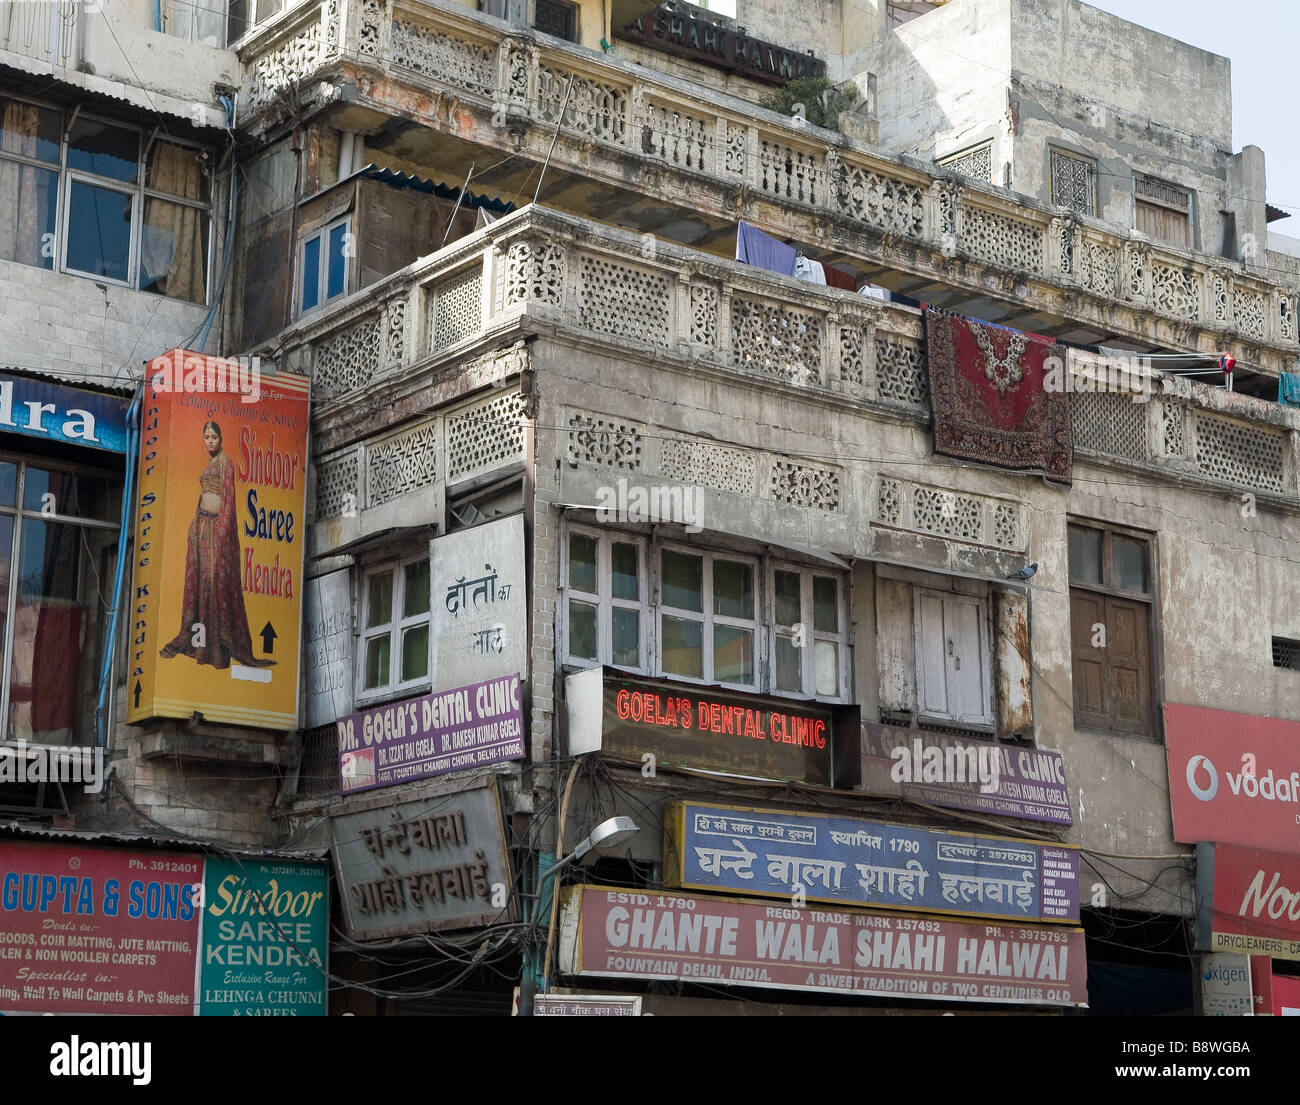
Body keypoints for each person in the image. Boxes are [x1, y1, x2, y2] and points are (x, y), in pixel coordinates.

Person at [160, 420, 274, 670]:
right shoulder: (209, 464)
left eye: (214, 437)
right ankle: (199, 644)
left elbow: (228, 497)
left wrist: (223, 531)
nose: (210, 441)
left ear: (220, 439)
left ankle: (218, 650)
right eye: (207, 437)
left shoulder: (225, 461)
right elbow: (203, 496)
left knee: (214, 582)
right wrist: (194, 525)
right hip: (201, 528)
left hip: (217, 529)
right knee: (200, 584)